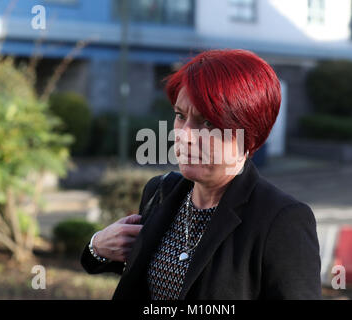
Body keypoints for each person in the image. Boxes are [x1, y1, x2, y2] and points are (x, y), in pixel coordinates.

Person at [81, 49, 322, 300]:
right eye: (180, 116)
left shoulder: (282, 219)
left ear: (248, 134)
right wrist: (97, 246)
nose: (184, 135)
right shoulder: (161, 192)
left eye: (207, 122)